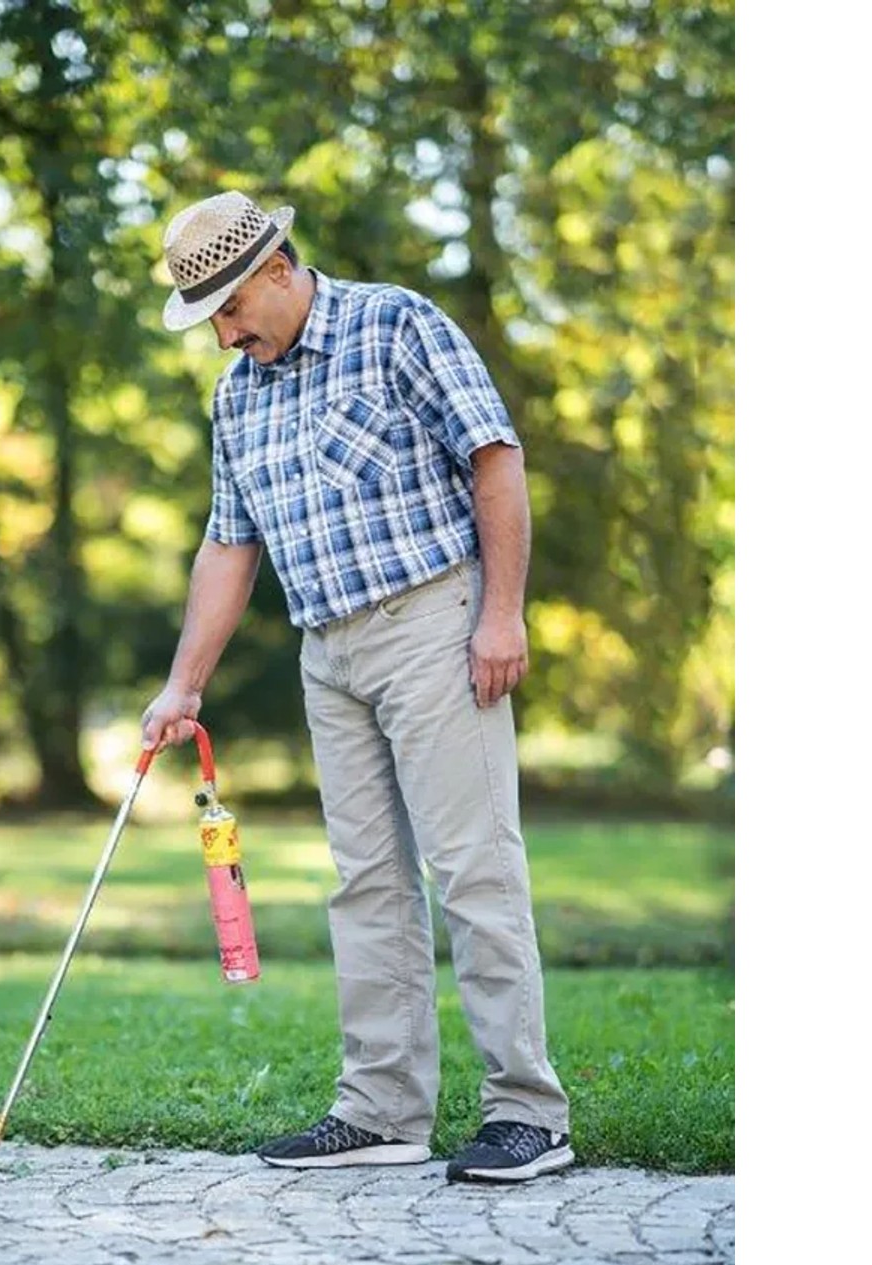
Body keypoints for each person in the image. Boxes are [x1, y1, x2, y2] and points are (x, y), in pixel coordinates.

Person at [140, 190, 573, 1184]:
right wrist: (183, 686)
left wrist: (501, 613)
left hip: (432, 623)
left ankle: (529, 1114)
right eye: (207, 316)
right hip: (326, 652)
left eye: (232, 307)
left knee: (473, 870)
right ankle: (381, 1112)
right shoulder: (237, 395)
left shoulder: (396, 325)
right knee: (364, 882)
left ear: (282, 269)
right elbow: (228, 542)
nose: (222, 333)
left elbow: (495, 458)